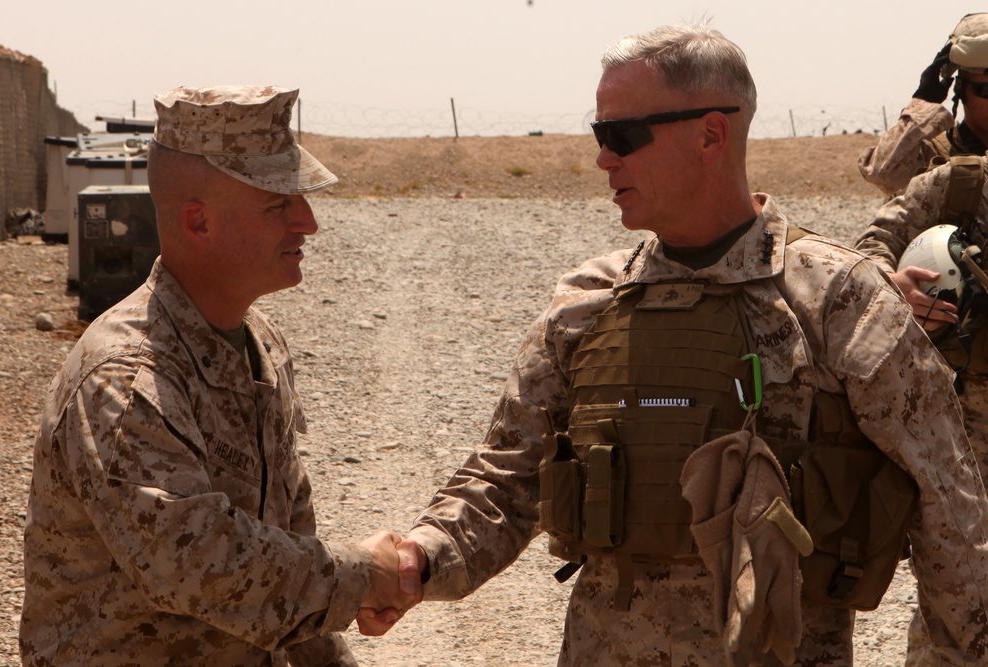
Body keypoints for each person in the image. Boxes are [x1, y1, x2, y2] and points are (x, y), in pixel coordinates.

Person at [358, 24, 988, 665]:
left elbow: (949, 503)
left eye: (622, 136)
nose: (604, 158)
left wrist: (961, 652)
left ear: (711, 134)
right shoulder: (589, 301)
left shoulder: (839, 300)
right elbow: (508, 477)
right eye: (598, 134)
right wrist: (421, 557)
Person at [19, 85, 416, 666]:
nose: (307, 222)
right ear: (199, 222)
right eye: (277, 204)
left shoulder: (259, 346)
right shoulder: (127, 379)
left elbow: (289, 540)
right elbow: (196, 564)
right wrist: (360, 577)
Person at [857, 155, 988, 666]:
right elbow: (867, 253)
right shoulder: (961, 185)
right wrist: (896, 287)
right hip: (964, 431)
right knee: (956, 595)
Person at [859, 13, 988, 197]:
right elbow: (881, 173)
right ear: (960, 89)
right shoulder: (933, 155)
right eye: (985, 91)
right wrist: (925, 100)